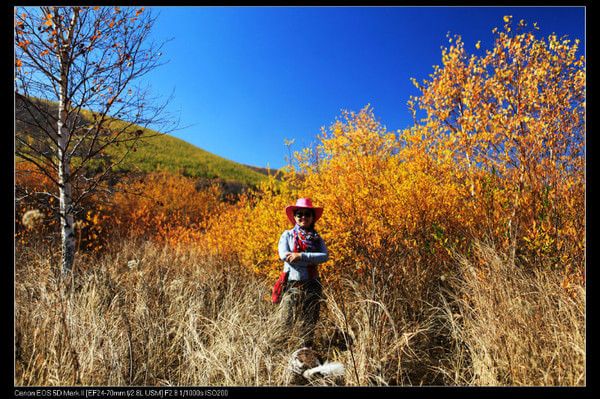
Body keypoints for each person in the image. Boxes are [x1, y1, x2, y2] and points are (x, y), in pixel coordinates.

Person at [277, 198, 329, 348]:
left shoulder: (317, 238)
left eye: (307, 214)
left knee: (309, 321)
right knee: (285, 318)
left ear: (312, 218)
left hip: (312, 284)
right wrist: (312, 259)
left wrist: (301, 256)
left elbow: (325, 256)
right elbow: (284, 256)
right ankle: (280, 350)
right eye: (299, 214)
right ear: (295, 217)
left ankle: (305, 352)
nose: (303, 217)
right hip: (292, 283)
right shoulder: (287, 235)